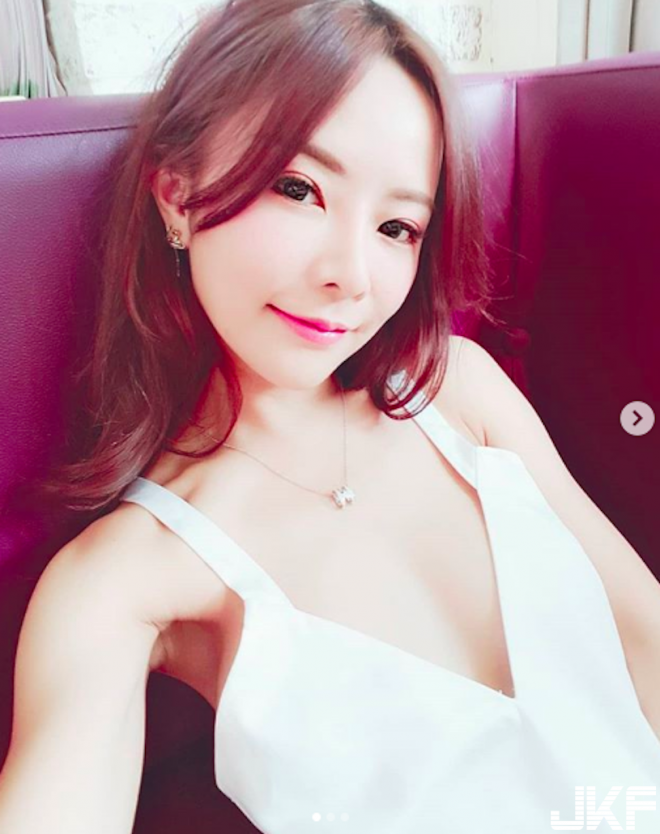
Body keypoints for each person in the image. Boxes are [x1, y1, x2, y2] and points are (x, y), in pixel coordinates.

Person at [2, 1, 660, 832]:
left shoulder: (461, 390)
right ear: (177, 195)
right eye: (298, 188)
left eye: (397, 226)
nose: (350, 274)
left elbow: (647, 643)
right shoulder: (126, 578)